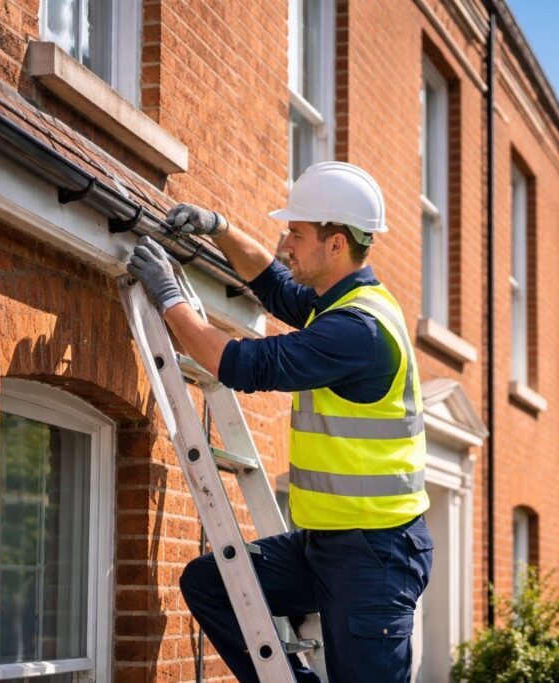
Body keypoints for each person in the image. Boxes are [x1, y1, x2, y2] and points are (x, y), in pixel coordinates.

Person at [126, 162, 433, 683]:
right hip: (328, 544)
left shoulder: (357, 329)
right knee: (212, 583)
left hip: (375, 556)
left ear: (336, 244)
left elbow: (240, 364)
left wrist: (170, 297)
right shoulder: (337, 304)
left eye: (297, 232)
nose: (285, 243)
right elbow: (273, 286)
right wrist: (218, 226)